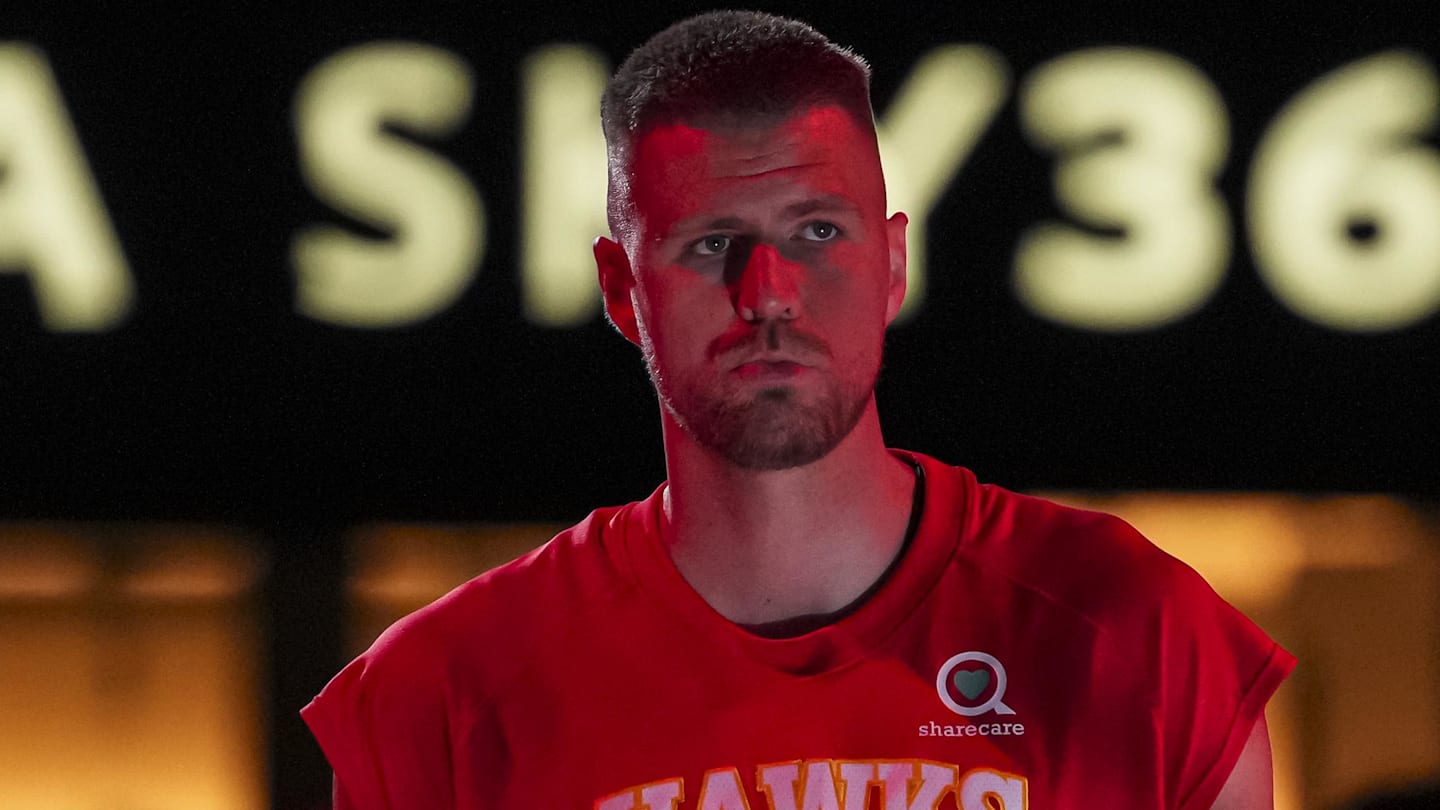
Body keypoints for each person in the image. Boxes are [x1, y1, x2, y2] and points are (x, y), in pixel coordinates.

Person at [302, 10, 1295, 809]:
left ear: (894, 263)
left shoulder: (1138, 639)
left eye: (817, 232)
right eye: (710, 244)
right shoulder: (444, 694)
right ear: (621, 289)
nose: (768, 292)